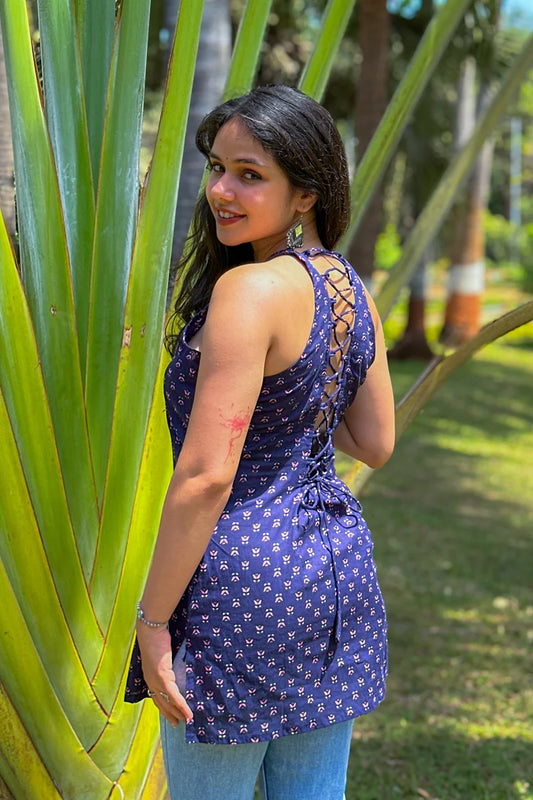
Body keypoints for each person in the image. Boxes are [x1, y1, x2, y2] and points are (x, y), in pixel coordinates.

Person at [125, 84, 395, 800]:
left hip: (236, 589)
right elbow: (374, 441)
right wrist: (285, 406)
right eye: (217, 168)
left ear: (305, 193)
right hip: (330, 578)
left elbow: (207, 476)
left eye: (250, 174)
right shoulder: (344, 285)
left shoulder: (247, 292)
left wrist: (152, 625)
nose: (221, 190)